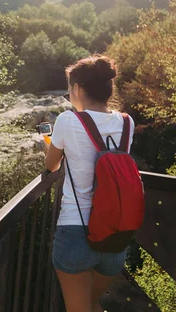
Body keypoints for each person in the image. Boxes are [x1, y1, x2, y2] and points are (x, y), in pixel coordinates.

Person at [44, 54, 134, 312]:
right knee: (92, 304)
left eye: (69, 89)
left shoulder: (67, 121)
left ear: (79, 89)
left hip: (76, 231)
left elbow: (52, 165)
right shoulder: (127, 122)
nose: (68, 94)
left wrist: (49, 144)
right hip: (116, 236)